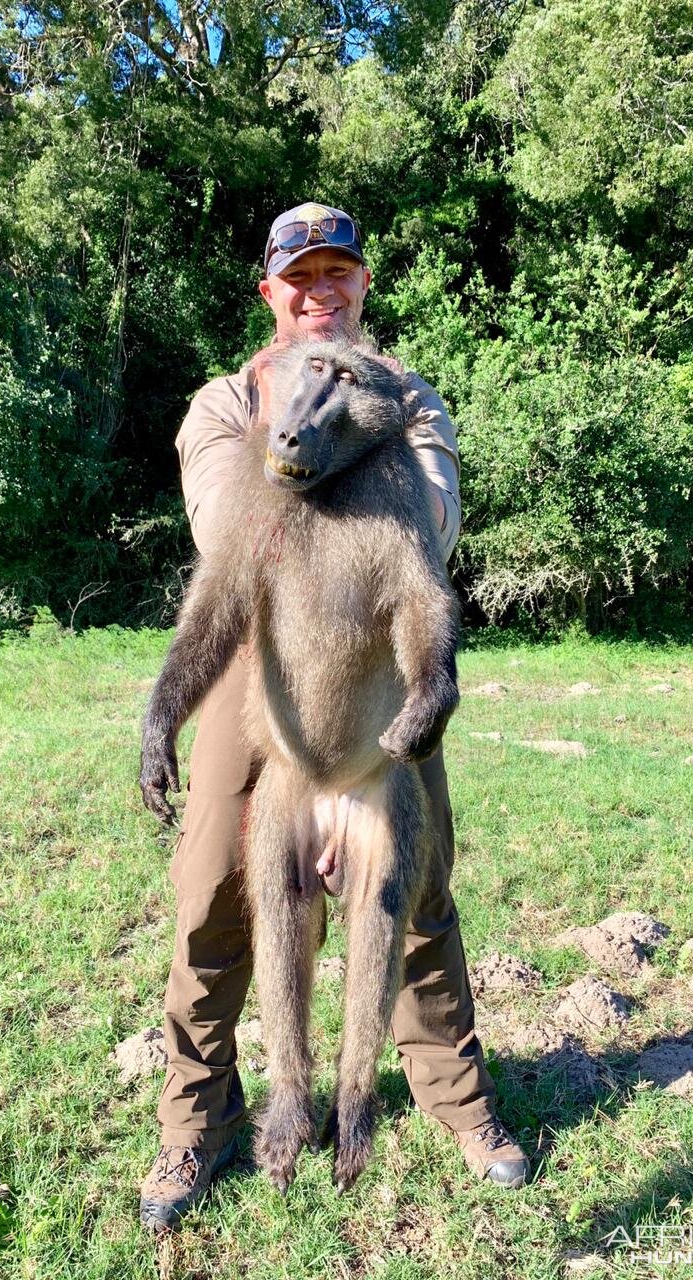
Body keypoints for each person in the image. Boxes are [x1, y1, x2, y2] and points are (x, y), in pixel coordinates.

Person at [139, 203, 530, 1232]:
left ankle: (453, 1095)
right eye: (299, 277)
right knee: (213, 897)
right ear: (270, 292)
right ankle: (202, 1113)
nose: (321, 292)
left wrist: (343, 425)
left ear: (362, 286)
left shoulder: (411, 394)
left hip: (378, 675)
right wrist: (340, 426)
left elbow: (429, 524)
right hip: (259, 670)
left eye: (338, 275)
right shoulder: (227, 402)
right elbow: (237, 541)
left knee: (416, 890)